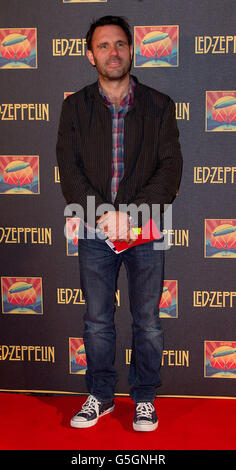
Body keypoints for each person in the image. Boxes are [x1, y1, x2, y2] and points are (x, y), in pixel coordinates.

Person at [56, 15, 182, 432]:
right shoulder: (74, 106)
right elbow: (69, 169)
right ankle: (101, 396)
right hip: (94, 229)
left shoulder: (159, 105)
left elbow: (170, 168)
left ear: (132, 50)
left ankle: (145, 397)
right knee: (97, 321)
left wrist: (129, 214)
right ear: (91, 55)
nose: (113, 52)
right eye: (104, 46)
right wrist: (104, 216)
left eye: (120, 44)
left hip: (145, 228)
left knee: (147, 321)